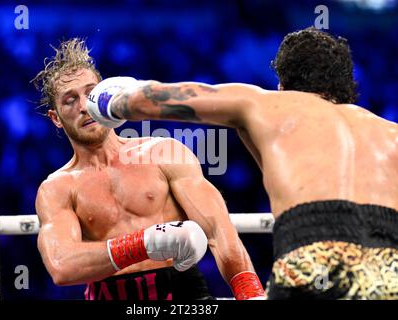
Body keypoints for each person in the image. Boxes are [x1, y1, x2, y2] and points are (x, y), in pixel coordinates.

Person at [87, 27, 398, 299]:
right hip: (390, 269)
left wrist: (108, 100)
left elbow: (148, 99)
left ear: (282, 85)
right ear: (348, 86)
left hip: (313, 254)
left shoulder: (263, 104)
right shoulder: (390, 133)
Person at [32, 38, 265, 300]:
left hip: (183, 297)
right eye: (70, 100)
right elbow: (61, 266)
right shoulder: (57, 188)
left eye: (90, 93)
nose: (84, 107)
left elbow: (218, 231)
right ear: (56, 119)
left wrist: (250, 291)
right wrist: (145, 243)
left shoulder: (163, 153)